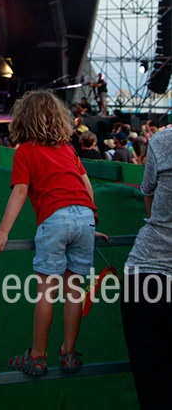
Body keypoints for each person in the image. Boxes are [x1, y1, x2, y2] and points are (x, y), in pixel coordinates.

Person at [0, 90, 100, 377]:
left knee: (47, 292)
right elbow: (86, 187)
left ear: (23, 119)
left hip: (55, 218)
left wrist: (2, 231)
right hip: (85, 217)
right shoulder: (68, 150)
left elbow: (20, 192)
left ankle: (37, 356)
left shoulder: (25, 151)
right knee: (74, 291)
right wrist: (91, 224)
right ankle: (68, 354)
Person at [121, 128, 172, 409]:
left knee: (153, 391)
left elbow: (149, 198)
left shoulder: (162, 141)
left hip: (144, 276)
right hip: (148, 277)